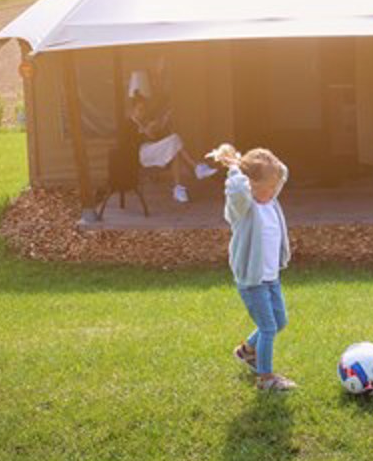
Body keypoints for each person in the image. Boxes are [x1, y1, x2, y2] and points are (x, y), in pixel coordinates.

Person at [209, 142, 297, 391]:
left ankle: (247, 350)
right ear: (252, 185)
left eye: (274, 186)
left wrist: (268, 165)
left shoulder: (269, 200)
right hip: (252, 280)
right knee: (268, 328)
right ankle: (266, 378)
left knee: (279, 322)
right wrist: (236, 167)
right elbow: (236, 189)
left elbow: (282, 173)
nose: (273, 190)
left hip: (270, 277)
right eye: (268, 187)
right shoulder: (243, 208)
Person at [124, 94, 216, 203]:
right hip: (140, 155)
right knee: (175, 139)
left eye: (144, 110)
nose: (142, 112)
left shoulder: (144, 122)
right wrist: (145, 132)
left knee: (174, 151)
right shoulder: (128, 124)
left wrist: (160, 125)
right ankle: (196, 168)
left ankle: (178, 188)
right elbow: (130, 145)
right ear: (132, 110)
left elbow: (153, 139)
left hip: (150, 151)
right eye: (139, 109)